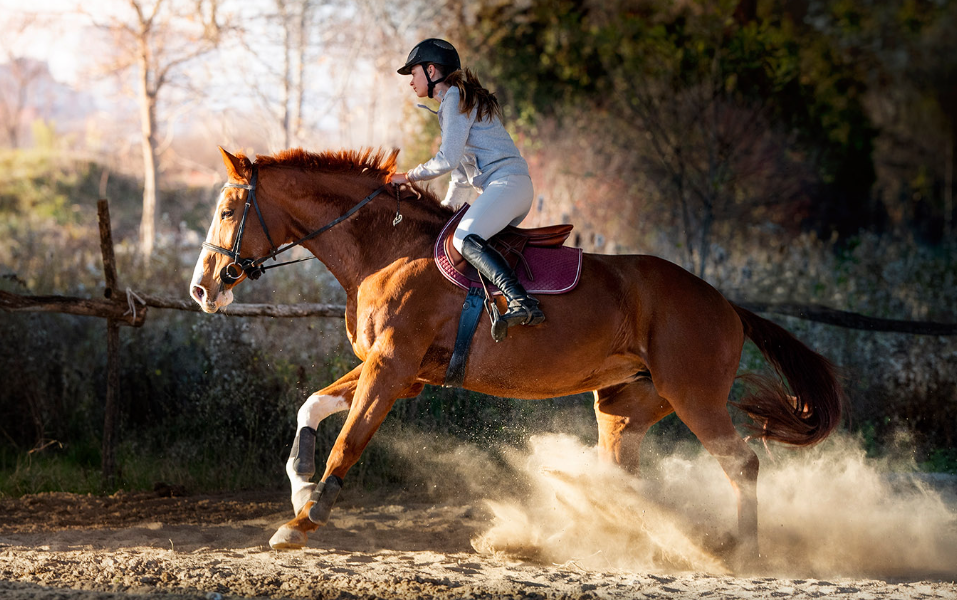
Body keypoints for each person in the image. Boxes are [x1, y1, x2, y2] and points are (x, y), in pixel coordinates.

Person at [391, 38, 545, 332]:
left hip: (507, 185)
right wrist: (445, 213)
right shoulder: (454, 103)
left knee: (464, 239)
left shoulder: (452, 100)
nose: (411, 82)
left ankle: (520, 301)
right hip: (509, 189)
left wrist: (407, 176)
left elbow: (446, 160)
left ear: (431, 70)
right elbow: (460, 175)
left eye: (413, 73)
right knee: (460, 237)